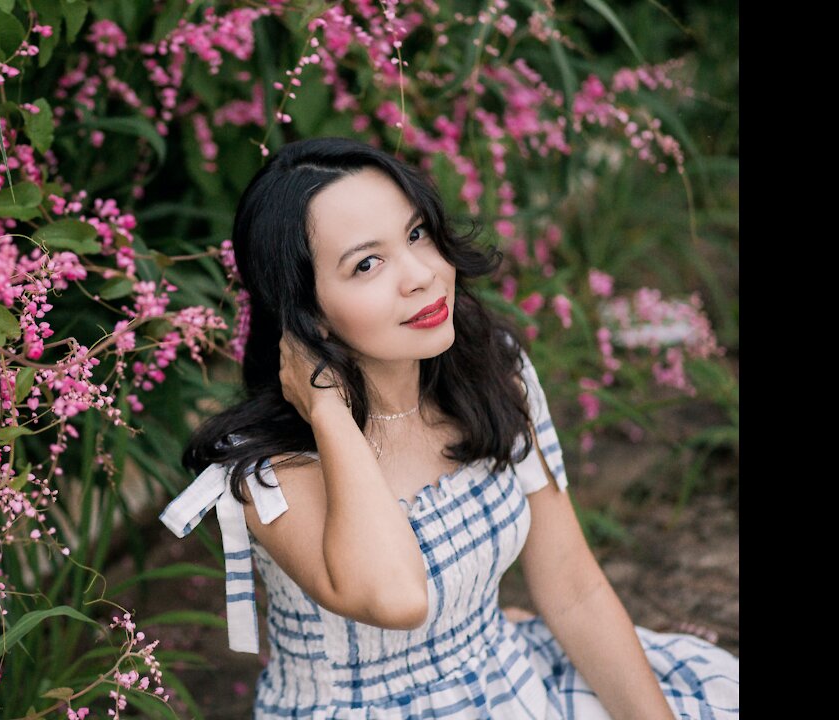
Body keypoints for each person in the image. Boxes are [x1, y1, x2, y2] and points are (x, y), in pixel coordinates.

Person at [159, 137, 738, 718]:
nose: (421, 275)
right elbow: (398, 598)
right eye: (367, 263)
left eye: (416, 234)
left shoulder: (491, 370)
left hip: (508, 683)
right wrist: (330, 415)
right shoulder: (268, 470)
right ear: (309, 314)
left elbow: (573, 588)